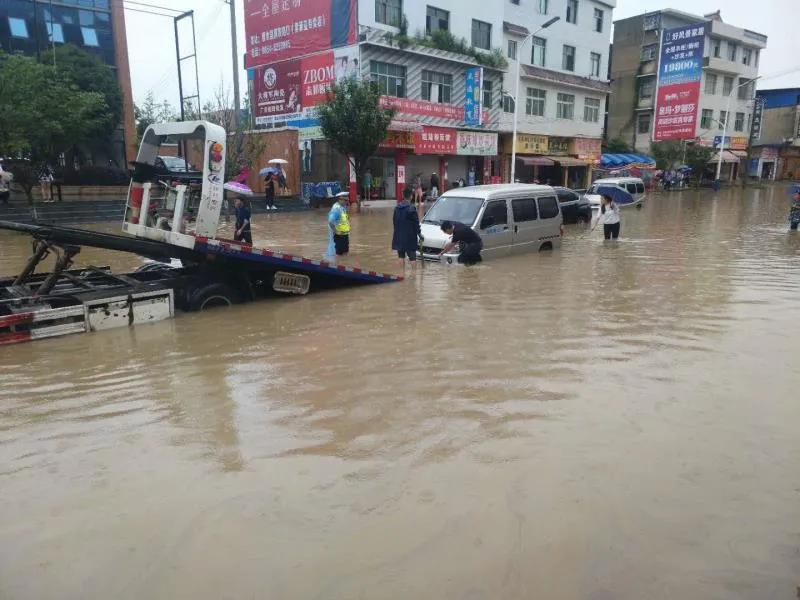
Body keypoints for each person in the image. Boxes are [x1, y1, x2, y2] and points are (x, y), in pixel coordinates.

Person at [392, 187, 422, 271]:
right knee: (412, 257)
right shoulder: (411, 208)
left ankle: (402, 275)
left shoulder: (397, 208)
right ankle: (414, 275)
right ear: (411, 196)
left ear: (403, 195)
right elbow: (416, 224)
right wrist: (419, 234)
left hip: (399, 236)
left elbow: (394, 222)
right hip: (410, 237)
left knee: (401, 257)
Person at [327, 192, 350, 261]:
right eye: (345, 200)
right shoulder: (336, 209)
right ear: (340, 199)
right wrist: (336, 231)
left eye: (347, 200)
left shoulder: (342, 207)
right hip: (339, 236)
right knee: (339, 255)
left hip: (344, 234)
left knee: (345, 253)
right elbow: (330, 222)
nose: (347, 202)